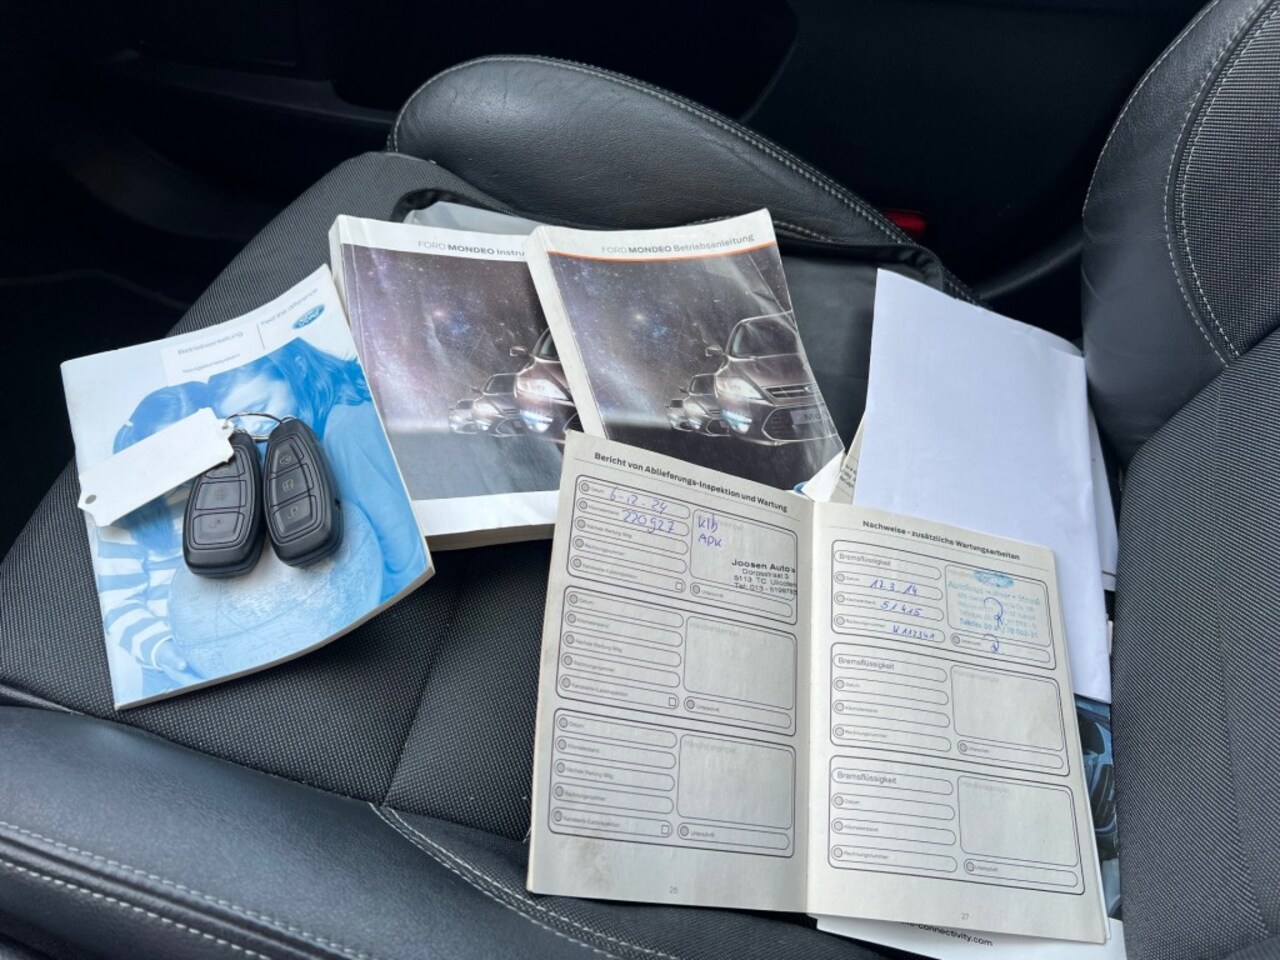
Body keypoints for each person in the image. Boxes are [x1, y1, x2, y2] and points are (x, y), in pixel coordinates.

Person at [205, 339, 422, 599]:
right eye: (239, 420)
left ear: (297, 370)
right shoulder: (322, 424)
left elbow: (402, 544)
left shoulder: (344, 430)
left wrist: (394, 599)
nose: (253, 428)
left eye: (261, 407)